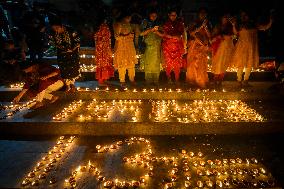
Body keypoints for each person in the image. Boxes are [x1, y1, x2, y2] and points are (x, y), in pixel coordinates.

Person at [231, 10, 272, 87]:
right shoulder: (239, 25)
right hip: (242, 47)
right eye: (243, 15)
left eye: (246, 15)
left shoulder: (254, 25)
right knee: (241, 64)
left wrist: (270, 21)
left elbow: (264, 27)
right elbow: (235, 33)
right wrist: (233, 25)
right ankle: (239, 81)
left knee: (249, 64)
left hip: (251, 48)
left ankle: (245, 81)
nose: (245, 17)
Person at [49, 15, 80, 92]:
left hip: (72, 53)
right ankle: (67, 85)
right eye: (54, 29)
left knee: (72, 69)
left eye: (57, 28)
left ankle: (72, 84)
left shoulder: (71, 31)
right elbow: (53, 42)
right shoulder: (53, 33)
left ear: (61, 26)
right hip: (61, 54)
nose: (56, 30)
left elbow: (77, 41)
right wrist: (61, 47)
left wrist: (72, 49)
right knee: (64, 69)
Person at [186, 8, 211, 88]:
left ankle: (200, 81)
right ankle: (193, 81)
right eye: (201, 13)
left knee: (201, 64)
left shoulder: (208, 23)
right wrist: (201, 27)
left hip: (203, 46)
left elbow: (209, 35)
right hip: (194, 46)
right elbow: (191, 33)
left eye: (204, 14)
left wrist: (205, 28)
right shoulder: (194, 23)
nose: (202, 15)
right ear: (198, 14)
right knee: (193, 64)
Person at [113, 11, 138, 87]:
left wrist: (132, 35)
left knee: (131, 64)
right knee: (122, 64)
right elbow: (116, 37)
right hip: (122, 47)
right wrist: (126, 36)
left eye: (130, 17)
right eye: (128, 17)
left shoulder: (130, 25)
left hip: (130, 46)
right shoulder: (119, 24)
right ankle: (122, 80)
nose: (130, 18)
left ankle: (132, 79)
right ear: (124, 17)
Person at [162, 9, 186, 83]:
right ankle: (169, 78)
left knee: (177, 64)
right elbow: (164, 34)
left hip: (177, 46)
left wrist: (173, 36)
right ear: (169, 15)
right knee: (168, 63)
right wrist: (173, 36)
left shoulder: (180, 23)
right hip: (167, 47)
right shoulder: (166, 24)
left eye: (175, 15)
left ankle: (176, 79)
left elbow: (181, 34)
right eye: (172, 15)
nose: (173, 17)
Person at [211, 14, 234, 88]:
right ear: (221, 19)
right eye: (224, 17)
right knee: (217, 63)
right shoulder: (218, 26)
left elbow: (234, 35)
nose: (225, 19)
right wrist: (218, 36)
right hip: (218, 47)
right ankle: (215, 80)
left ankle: (220, 80)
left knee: (224, 63)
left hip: (227, 47)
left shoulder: (230, 27)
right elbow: (213, 36)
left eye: (226, 18)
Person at [140, 9, 162, 85]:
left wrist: (157, 32)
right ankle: (148, 80)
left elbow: (163, 35)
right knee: (148, 63)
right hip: (148, 46)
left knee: (156, 63)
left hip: (157, 46)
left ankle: (156, 80)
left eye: (155, 16)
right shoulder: (145, 22)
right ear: (149, 15)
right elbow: (141, 33)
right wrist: (150, 30)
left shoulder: (159, 23)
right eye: (152, 16)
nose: (154, 17)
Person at [94, 19, 114, 85]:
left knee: (104, 64)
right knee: (103, 64)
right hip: (102, 49)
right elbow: (101, 38)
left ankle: (104, 79)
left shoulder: (103, 27)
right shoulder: (104, 27)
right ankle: (101, 80)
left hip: (103, 48)